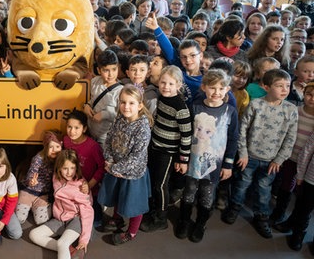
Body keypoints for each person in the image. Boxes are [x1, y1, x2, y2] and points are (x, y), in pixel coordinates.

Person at [222, 69, 298, 239]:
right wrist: (243, 153)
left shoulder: (291, 110)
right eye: (279, 86)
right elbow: (242, 130)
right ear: (266, 86)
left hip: (271, 161)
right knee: (242, 184)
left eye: (287, 85)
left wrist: (279, 159)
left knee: (264, 190)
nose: (285, 89)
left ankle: (261, 216)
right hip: (248, 157)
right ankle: (234, 207)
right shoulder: (256, 105)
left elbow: (290, 138)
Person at [175, 69, 239, 243]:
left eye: (221, 88)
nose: (216, 92)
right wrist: (183, 159)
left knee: (206, 194)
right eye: (212, 88)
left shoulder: (230, 111)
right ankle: (184, 220)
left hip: (214, 164)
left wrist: (228, 164)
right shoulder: (194, 107)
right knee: (188, 192)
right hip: (193, 162)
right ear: (204, 87)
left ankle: (201, 223)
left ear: (227, 89)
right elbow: (185, 134)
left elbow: (233, 139)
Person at [98, 85, 152, 244]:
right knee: (117, 195)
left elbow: (136, 156)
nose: (126, 107)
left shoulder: (142, 127)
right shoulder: (118, 118)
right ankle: (117, 218)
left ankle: (132, 232)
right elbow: (108, 139)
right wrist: (108, 160)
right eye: (123, 102)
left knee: (134, 203)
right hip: (114, 167)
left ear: (140, 105)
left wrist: (114, 168)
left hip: (132, 174)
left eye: (131, 103)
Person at [140, 66, 192, 232]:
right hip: (155, 146)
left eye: (170, 83)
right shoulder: (161, 98)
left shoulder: (181, 107)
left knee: (160, 185)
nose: (166, 86)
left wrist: (183, 159)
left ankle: (161, 218)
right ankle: (155, 208)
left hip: (168, 153)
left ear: (179, 85)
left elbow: (186, 136)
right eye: (163, 82)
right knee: (154, 181)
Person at [29, 149, 93, 258]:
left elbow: (88, 212)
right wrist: (34, 184)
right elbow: (43, 182)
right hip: (59, 219)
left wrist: (84, 240)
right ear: (59, 168)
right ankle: (69, 250)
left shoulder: (81, 185)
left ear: (76, 167)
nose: (69, 172)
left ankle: (65, 247)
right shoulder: (56, 178)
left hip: (75, 220)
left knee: (61, 243)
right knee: (33, 235)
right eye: (65, 168)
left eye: (72, 168)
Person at [270, 81, 314, 227]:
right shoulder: (296, 110)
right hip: (290, 156)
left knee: (302, 193)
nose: (312, 99)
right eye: (309, 94)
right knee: (286, 185)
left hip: (307, 164)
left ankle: (294, 219)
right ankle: (279, 212)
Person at [63, 110, 104, 227]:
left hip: (89, 189)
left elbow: (102, 168)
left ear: (84, 129)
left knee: (95, 223)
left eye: (76, 128)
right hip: (71, 188)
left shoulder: (93, 146)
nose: (72, 131)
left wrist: (89, 185)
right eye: (69, 127)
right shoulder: (66, 141)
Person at [16, 130, 62, 225]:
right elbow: (31, 173)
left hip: (42, 194)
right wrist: (31, 181)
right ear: (46, 148)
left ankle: (38, 208)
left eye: (57, 147)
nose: (54, 150)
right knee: (19, 218)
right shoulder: (38, 159)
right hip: (28, 190)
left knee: (41, 220)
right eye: (51, 147)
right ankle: (24, 204)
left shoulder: (60, 160)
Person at [84, 50, 123, 145]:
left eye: (114, 69)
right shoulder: (95, 82)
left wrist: (105, 114)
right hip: (89, 131)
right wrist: (87, 105)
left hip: (106, 136)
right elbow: (91, 99)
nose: (111, 74)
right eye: (106, 70)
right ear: (99, 70)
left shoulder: (121, 91)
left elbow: (122, 115)